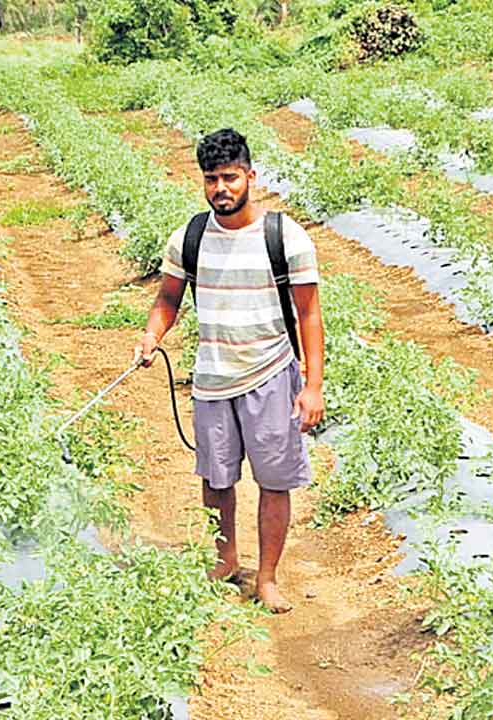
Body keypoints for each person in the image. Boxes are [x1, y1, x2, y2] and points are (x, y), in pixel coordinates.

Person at [134, 128, 324, 613]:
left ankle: (266, 579)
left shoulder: (286, 237)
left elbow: (309, 315)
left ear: (250, 176)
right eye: (211, 179)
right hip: (212, 380)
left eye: (230, 178)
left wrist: (313, 386)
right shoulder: (191, 237)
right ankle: (224, 564)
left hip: (272, 376)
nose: (221, 188)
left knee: (274, 480)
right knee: (216, 480)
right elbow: (168, 299)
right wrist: (151, 336)